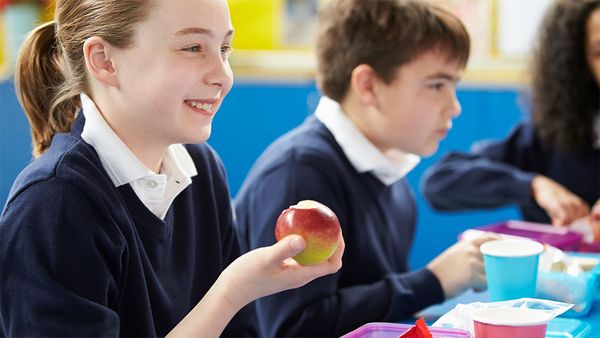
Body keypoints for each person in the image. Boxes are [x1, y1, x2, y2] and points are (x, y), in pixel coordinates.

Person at [0, 0, 344, 336]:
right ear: (104, 61)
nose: (223, 76)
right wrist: (231, 294)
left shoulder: (202, 168)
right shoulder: (53, 203)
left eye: (224, 48)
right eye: (193, 47)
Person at [234, 0, 495, 336]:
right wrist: (431, 282)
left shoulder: (391, 176)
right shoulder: (301, 172)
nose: (454, 106)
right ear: (369, 85)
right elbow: (292, 328)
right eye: (436, 85)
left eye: (453, 85)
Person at [421, 0, 600, 227]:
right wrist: (533, 186)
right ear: (580, 64)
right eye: (599, 52)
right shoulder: (549, 137)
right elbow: (440, 182)